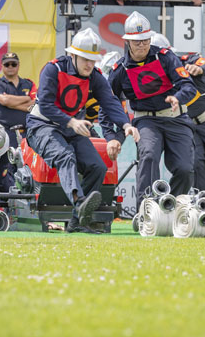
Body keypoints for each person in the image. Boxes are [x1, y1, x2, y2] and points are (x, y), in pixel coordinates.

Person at [27, 28, 139, 233]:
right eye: (85, 59)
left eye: (93, 60)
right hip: (41, 126)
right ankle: (80, 203)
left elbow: (110, 102)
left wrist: (126, 124)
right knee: (65, 155)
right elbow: (45, 106)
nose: (90, 64)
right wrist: (71, 122)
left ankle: (77, 223)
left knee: (98, 166)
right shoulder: (53, 69)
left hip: (72, 128)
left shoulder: (94, 76)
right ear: (73, 55)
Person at [109, 11, 197, 206]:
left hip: (176, 118)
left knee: (185, 169)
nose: (141, 44)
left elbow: (188, 85)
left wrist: (177, 97)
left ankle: (168, 206)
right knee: (148, 156)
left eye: (145, 40)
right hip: (146, 121)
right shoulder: (119, 70)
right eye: (136, 41)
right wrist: (115, 136)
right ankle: (146, 210)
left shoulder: (165, 57)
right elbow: (109, 102)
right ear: (127, 42)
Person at [151, 33, 205, 197]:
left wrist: (201, 69)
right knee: (196, 165)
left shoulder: (187, 62)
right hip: (187, 125)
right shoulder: (155, 78)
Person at [0, 52, 36, 149]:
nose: (10, 67)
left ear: (18, 65)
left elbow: (34, 105)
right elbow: (5, 100)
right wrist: (27, 98)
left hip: (27, 134)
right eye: (7, 64)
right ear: (2, 66)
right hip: (3, 134)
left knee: (27, 163)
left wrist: (12, 104)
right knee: (7, 164)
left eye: (13, 64)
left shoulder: (28, 84)